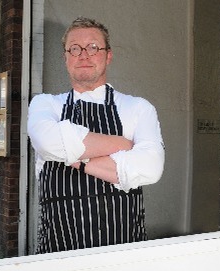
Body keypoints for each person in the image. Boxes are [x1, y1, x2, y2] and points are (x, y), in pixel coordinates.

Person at [28, 17, 165, 254]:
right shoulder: (45, 103)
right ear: (65, 57)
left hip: (122, 251)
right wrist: (122, 145)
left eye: (93, 47)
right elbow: (46, 141)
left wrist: (79, 161)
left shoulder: (137, 108)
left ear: (108, 55)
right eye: (74, 48)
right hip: (58, 253)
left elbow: (151, 167)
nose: (84, 55)